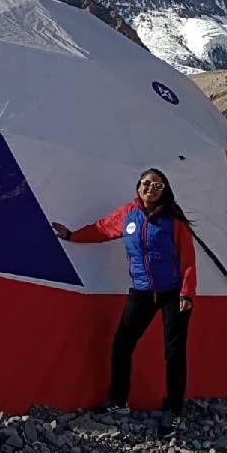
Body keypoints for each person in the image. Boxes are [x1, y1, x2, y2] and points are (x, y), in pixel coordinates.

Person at [50, 168, 196, 433]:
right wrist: (72, 235)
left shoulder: (174, 221)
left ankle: (175, 410)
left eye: (158, 186)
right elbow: (102, 229)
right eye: (148, 183)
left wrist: (187, 293)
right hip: (141, 290)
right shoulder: (128, 214)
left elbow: (188, 259)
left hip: (173, 292)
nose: (152, 189)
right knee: (122, 343)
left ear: (165, 191)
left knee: (174, 352)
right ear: (139, 185)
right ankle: (119, 400)